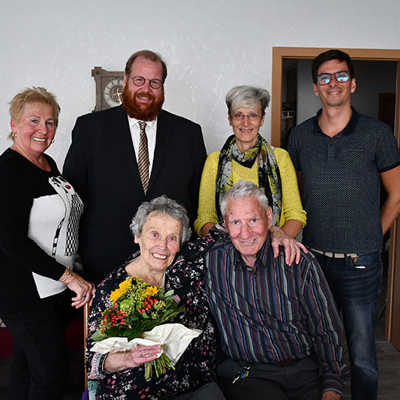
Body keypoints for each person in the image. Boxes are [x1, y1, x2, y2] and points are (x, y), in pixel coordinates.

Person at [287, 49, 400, 400]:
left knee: (363, 354)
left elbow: (396, 195)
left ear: (352, 83)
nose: (332, 83)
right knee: (317, 345)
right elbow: (295, 196)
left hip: (361, 263)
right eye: (324, 78)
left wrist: (372, 236)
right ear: (315, 88)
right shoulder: (300, 137)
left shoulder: (377, 134)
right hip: (314, 261)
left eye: (339, 76)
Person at [63, 49, 207, 284]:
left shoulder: (188, 134)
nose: (146, 89)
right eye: (139, 80)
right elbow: (73, 197)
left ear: (162, 87)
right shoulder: (90, 129)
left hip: (169, 264)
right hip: (104, 263)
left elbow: (198, 201)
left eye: (154, 83)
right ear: (127, 80)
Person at [203, 180, 345, 400]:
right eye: (236, 222)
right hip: (249, 374)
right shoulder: (213, 259)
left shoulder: (298, 261)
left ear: (269, 217)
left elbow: (326, 329)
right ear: (225, 223)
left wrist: (332, 387)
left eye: (253, 220)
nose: (245, 232)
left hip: (304, 371)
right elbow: (164, 250)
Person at [0, 87, 94, 400]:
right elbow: (11, 241)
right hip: (24, 292)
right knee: (50, 376)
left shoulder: (48, 163)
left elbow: (58, 220)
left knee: (27, 370)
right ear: (14, 124)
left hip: (52, 288)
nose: (44, 129)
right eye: (34, 121)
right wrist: (70, 278)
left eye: (51, 122)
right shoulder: (8, 170)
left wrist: (74, 267)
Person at [86, 196, 225, 400]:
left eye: (172, 238)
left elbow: (233, 229)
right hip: (134, 391)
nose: (163, 246)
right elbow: (91, 362)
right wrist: (128, 359)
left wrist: (277, 233)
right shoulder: (112, 289)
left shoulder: (187, 264)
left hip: (194, 385)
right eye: (154, 235)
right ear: (137, 236)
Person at [195, 85, 306, 239]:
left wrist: (275, 246)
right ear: (230, 119)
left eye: (253, 115)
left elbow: (296, 215)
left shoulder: (281, 158)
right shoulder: (214, 161)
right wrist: (229, 250)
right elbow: (204, 219)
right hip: (225, 253)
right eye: (239, 115)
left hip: (273, 253)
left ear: (262, 119)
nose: (245, 122)